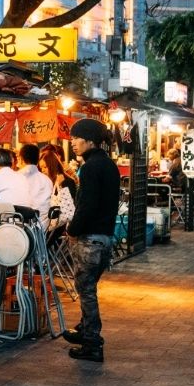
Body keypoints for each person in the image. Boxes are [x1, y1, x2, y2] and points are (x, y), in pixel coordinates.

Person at [60, 118, 120, 363]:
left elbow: (87, 206)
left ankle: (92, 343)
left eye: (77, 138)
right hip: (104, 238)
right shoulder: (107, 165)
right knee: (86, 288)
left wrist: (73, 229)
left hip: (90, 240)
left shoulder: (92, 167)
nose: (73, 143)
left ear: (90, 141)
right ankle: (85, 329)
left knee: (86, 291)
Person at [15, 143, 55, 226]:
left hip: (18, 229)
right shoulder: (47, 181)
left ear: (21, 159)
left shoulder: (14, 178)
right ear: (38, 160)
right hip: (41, 230)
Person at [39, 146, 77, 226]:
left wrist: (60, 186)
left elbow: (70, 206)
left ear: (52, 165)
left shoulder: (66, 181)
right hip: (50, 224)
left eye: (45, 167)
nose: (43, 170)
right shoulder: (46, 181)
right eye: (41, 168)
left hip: (62, 226)